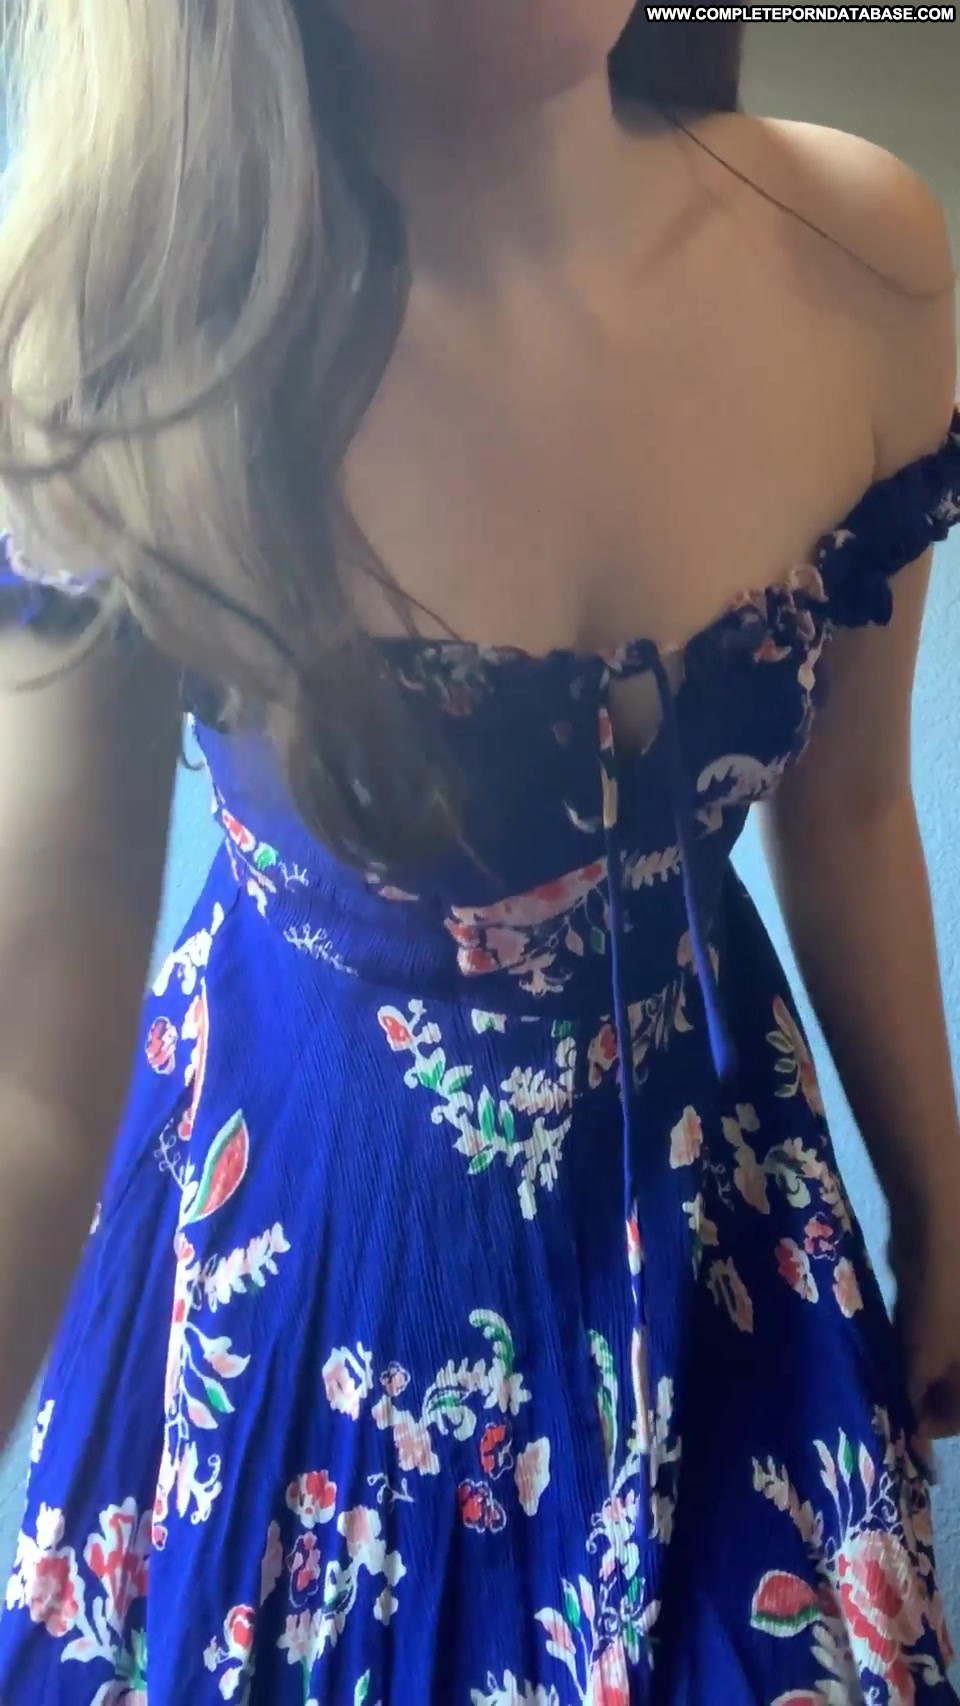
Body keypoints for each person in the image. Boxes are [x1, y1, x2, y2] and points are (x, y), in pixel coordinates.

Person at [0, 1, 958, 1699]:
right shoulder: (121, 342)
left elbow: (860, 807)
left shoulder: (862, 256)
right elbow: (28, 1081)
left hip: (720, 1219)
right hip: (300, 1268)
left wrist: (942, 1193)